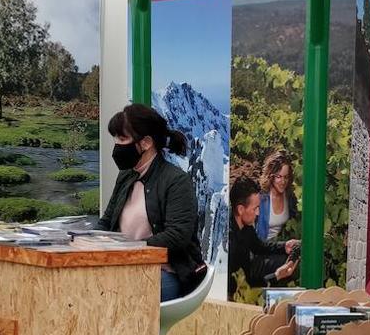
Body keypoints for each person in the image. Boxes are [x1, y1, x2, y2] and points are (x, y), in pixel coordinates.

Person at [97, 103, 207, 302]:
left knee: (111, 294)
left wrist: (130, 248)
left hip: (167, 272)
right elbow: (106, 221)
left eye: (122, 138)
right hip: (125, 266)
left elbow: (177, 236)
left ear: (146, 143)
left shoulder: (176, 181)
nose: (116, 145)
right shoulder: (126, 176)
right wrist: (89, 241)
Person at [228, 176, 298, 298]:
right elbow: (242, 287)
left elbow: (258, 246)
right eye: (255, 208)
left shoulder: (246, 226)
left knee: (285, 259)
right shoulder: (229, 244)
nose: (258, 213)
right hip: (239, 289)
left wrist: (284, 246)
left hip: (248, 271)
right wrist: (276, 276)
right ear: (240, 209)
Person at [256, 151, 299, 243]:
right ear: (270, 176)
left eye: (286, 177)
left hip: (283, 248)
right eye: (279, 176)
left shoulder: (290, 198)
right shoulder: (261, 198)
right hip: (262, 249)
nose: (283, 181)